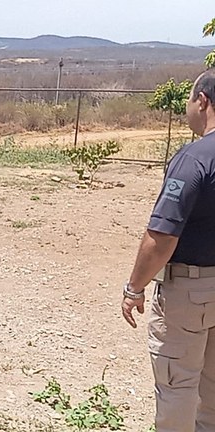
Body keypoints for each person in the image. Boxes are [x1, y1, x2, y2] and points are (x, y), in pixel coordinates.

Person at [122, 69, 215, 431]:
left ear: (202, 101)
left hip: (190, 293)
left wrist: (134, 288)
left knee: (178, 387)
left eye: (189, 102)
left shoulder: (194, 159)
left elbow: (160, 238)